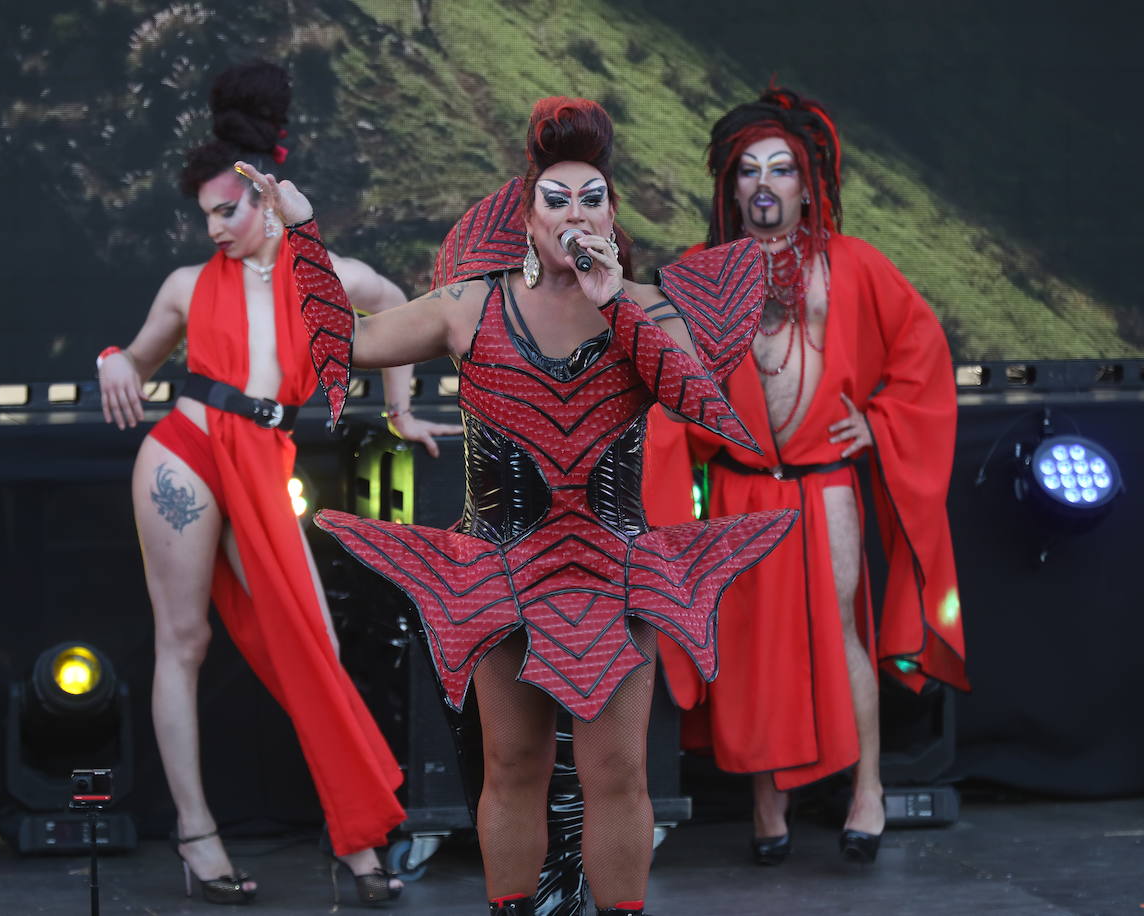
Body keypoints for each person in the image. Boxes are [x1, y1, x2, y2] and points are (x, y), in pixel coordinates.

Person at [241, 96, 795, 916]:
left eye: (593, 196)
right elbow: (348, 345)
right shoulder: (469, 306)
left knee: (618, 771)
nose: (576, 213)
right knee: (513, 765)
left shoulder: (644, 309)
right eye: (557, 198)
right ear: (526, 216)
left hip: (614, 571)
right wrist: (303, 229)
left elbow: (698, 398)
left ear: (611, 211)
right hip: (499, 569)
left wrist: (616, 302)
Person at [95, 60, 459, 907]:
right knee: (182, 644)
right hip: (186, 447)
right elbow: (135, 357)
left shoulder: (330, 276)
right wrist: (113, 360)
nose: (216, 227)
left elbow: (401, 305)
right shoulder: (187, 285)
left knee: (314, 648)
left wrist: (401, 412)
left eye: (229, 208)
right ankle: (198, 838)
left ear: (266, 191)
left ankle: (359, 835)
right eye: (205, 214)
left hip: (265, 462)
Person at [649, 86, 969, 866]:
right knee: (750, 642)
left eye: (781, 169)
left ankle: (868, 793)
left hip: (826, 484)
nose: (765, 183)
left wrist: (879, 420)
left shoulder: (853, 265)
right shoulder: (696, 274)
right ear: (731, 186)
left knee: (843, 628)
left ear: (808, 182)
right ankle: (769, 806)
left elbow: (923, 355)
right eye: (749, 170)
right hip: (740, 487)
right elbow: (662, 379)